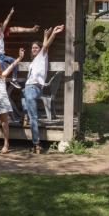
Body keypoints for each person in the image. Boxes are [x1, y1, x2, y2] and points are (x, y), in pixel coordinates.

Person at [21, 24, 64, 154]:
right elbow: (44, 46)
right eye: (32, 48)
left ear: (40, 50)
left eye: (36, 48)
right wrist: (45, 36)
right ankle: (25, 115)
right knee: (22, 93)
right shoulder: (35, 61)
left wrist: (53, 34)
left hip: (33, 88)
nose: (34, 49)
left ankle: (36, 144)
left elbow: (45, 47)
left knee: (34, 117)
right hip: (30, 88)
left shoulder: (42, 56)